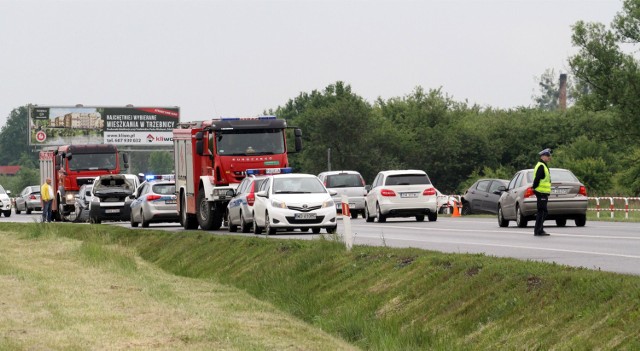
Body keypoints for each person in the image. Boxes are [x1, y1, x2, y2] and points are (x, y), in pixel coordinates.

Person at [532, 148, 552, 236]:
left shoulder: (543, 165)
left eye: (549, 156)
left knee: (543, 211)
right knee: (542, 211)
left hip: (543, 192)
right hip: (541, 192)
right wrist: (534, 188)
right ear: (543, 156)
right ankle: (538, 230)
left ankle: (540, 229)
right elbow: (537, 178)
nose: (549, 157)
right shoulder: (541, 166)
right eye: (547, 156)